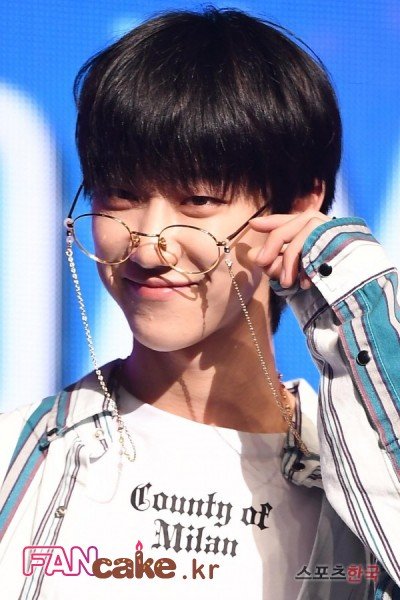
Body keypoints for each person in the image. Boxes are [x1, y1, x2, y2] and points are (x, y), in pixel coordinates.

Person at [0, 7, 399, 599]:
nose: (149, 244)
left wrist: (357, 295)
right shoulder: (17, 459)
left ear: (298, 205)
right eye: (121, 194)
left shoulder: (361, 471)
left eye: (199, 200)